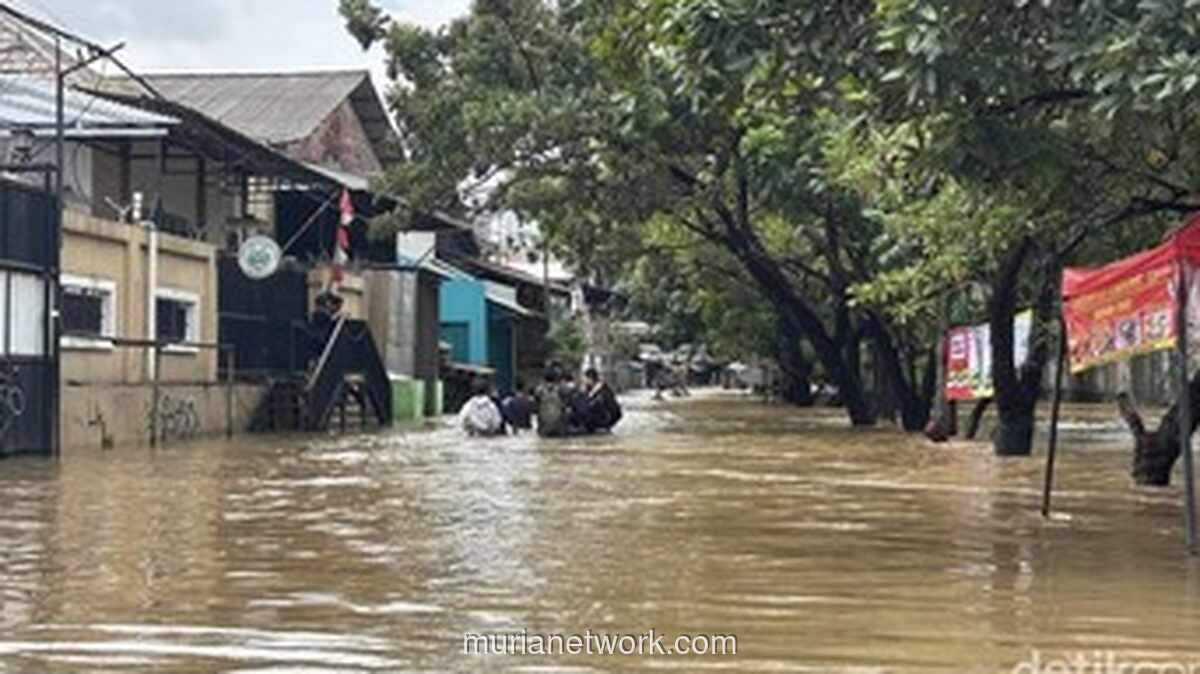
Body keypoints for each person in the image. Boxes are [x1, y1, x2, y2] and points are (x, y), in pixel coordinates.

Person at [583, 368, 622, 433]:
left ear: (590, 378)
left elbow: (612, 407)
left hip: (607, 416)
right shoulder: (589, 388)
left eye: (585, 379)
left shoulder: (603, 390)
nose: (584, 381)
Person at [534, 366, 570, 438]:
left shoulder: (539, 390)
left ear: (544, 379)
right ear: (556, 379)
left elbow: (535, 408)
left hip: (543, 429)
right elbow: (567, 405)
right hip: (560, 428)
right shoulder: (563, 389)